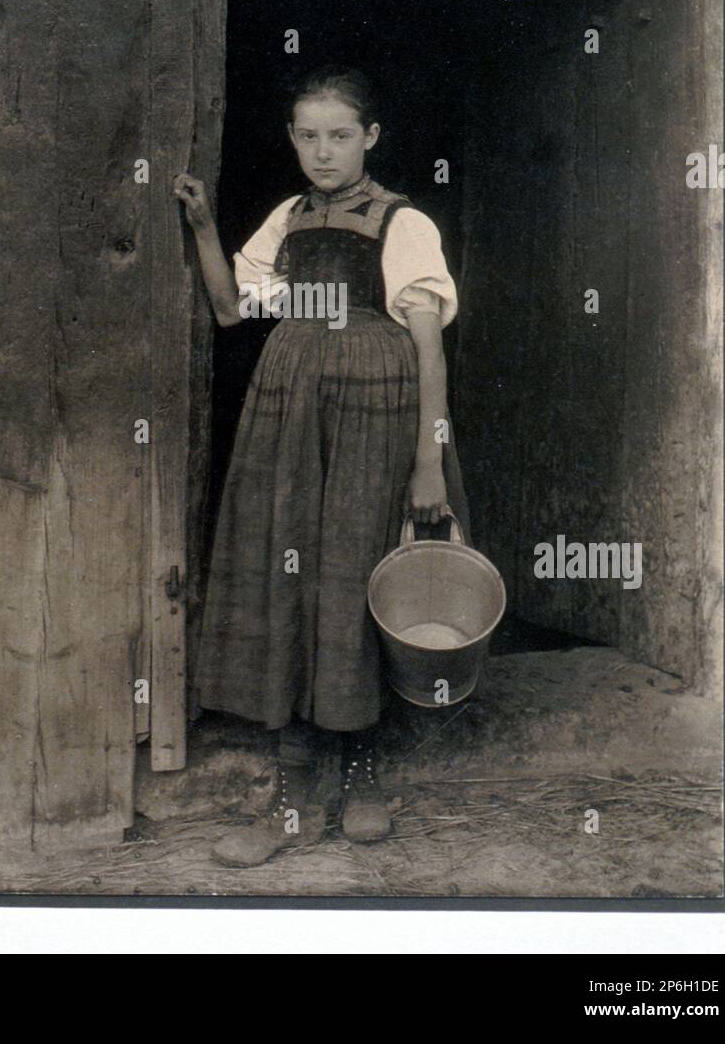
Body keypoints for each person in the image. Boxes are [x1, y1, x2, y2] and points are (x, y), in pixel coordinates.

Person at [173, 65, 471, 868]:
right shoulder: (289, 218)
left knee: (356, 575)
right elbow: (235, 308)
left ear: (370, 138)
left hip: (375, 417)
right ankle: (291, 794)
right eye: (306, 135)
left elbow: (427, 353)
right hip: (289, 415)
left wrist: (428, 464)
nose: (322, 151)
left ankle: (363, 774)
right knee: (292, 580)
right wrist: (203, 227)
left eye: (339, 135)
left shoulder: (401, 223)